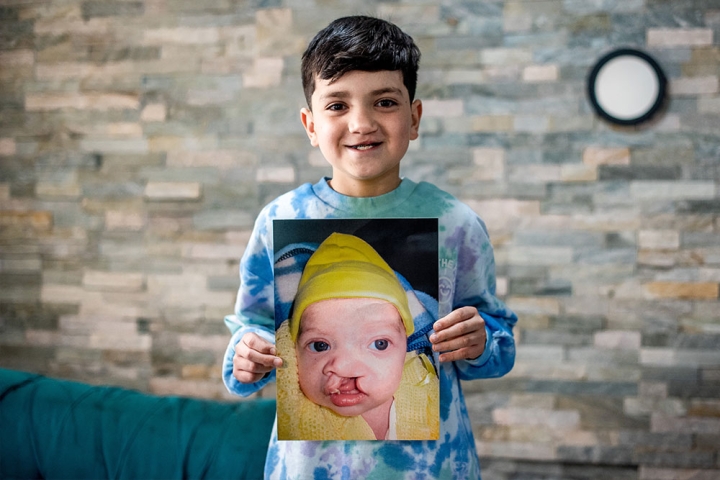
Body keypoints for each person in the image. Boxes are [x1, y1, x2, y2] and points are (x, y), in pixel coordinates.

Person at [222, 15, 517, 479]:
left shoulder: (456, 225)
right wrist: (246, 354)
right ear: (310, 124)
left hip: (430, 469)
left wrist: (480, 342)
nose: (361, 123)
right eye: (337, 105)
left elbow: (497, 340)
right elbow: (253, 326)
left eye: (384, 102)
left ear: (414, 117)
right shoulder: (279, 221)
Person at [274, 232, 439, 441]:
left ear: (406, 345)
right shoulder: (290, 406)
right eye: (319, 346)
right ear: (293, 349)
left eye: (379, 344)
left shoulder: (427, 384)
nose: (344, 368)